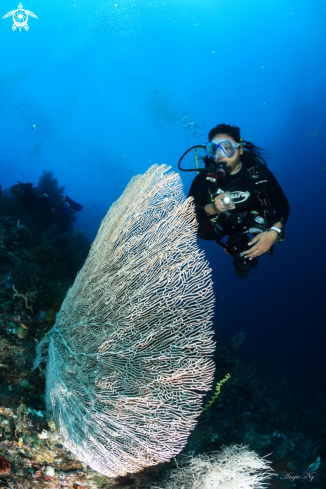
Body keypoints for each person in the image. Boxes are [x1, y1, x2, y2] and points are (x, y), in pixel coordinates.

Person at [180, 123, 290, 278]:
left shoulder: (257, 172)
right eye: (214, 149)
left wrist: (274, 232)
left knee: (260, 224)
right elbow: (186, 215)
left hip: (254, 217)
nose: (220, 154)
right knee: (205, 233)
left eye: (227, 147)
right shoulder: (204, 180)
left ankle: (252, 227)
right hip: (222, 225)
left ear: (240, 149)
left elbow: (282, 205)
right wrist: (213, 208)